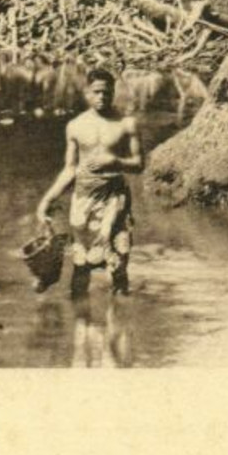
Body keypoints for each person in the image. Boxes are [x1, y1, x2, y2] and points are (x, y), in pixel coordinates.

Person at [36, 68, 142, 297]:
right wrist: (47, 199)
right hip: (84, 198)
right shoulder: (75, 126)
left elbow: (139, 164)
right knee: (81, 264)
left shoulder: (126, 124)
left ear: (113, 92)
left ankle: (120, 319)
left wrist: (115, 161)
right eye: (96, 92)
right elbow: (70, 169)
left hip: (114, 197)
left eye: (106, 92)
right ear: (87, 93)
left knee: (119, 261)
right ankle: (80, 321)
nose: (101, 96)